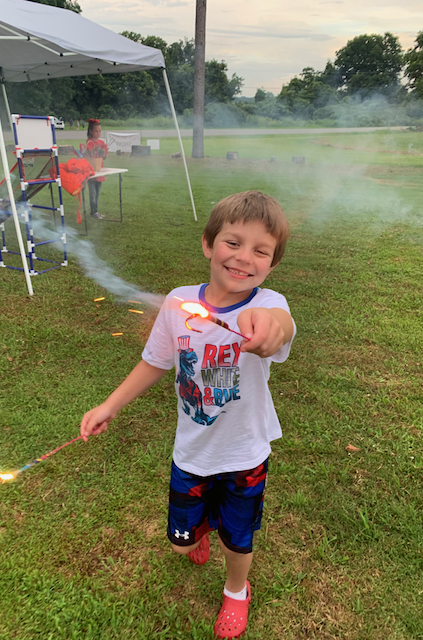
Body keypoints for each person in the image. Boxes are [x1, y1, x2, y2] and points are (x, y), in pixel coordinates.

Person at [80, 191, 296, 638]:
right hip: (192, 453)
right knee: (182, 544)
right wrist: (109, 405)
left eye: (261, 251)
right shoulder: (179, 302)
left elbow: (280, 324)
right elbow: (155, 362)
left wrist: (271, 328)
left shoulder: (268, 304)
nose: (244, 257)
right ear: (207, 244)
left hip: (245, 455)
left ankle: (236, 590)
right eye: (233, 242)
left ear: (273, 265)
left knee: (237, 539)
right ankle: (200, 530)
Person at [85, 118, 109, 220]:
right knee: (93, 193)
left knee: (97, 193)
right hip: (91, 172)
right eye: (96, 131)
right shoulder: (90, 142)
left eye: (99, 131)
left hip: (99, 171)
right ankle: (93, 212)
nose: (98, 133)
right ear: (90, 131)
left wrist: (104, 153)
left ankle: (95, 211)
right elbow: (90, 155)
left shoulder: (102, 142)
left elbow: (104, 157)